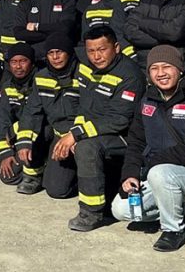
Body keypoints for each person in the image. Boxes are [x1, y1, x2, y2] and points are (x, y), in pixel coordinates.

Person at [111, 45, 185, 252]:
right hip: (160, 174)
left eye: (167, 66)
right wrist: (130, 174)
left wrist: (151, 165)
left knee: (160, 173)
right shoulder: (147, 98)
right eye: (154, 68)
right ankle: (175, 206)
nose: (161, 73)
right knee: (120, 210)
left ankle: (173, 230)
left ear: (180, 69)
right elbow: (136, 141)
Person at [59, 27, 146, 232]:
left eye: (102, 49)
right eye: (91, 51)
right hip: (96, 131)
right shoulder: (86, 68)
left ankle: (91, 212)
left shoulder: (130, 75)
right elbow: (84, 106)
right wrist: (76, 131)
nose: (96, 56)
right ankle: (98, 188)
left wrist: (77, 135)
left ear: (116, 47)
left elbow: (120, 120)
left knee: (87, 147)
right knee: (56, 186)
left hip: (126, 137)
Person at [14, 33, 81, 198]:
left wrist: (76, 135)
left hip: (81, 135)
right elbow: (31, 111)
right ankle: (35, 174)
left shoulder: (84, 75)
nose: (56, 57)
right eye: (51, 53)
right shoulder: (41, 77)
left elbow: (92, 110)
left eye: (60, 52)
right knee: (57, 190)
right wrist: (24, 142)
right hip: (58, 134)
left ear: (69, 52)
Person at [0, 42, 37, 184]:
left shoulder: (40, 82)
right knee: (8, 176)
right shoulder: (8, 86)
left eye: (23, 61)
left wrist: (14, 131)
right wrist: (5, 153)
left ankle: (37, 174)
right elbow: (3, 119)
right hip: (19, 135)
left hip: (40, 135)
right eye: (14, 62)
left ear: (32, 63)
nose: (18, 66)